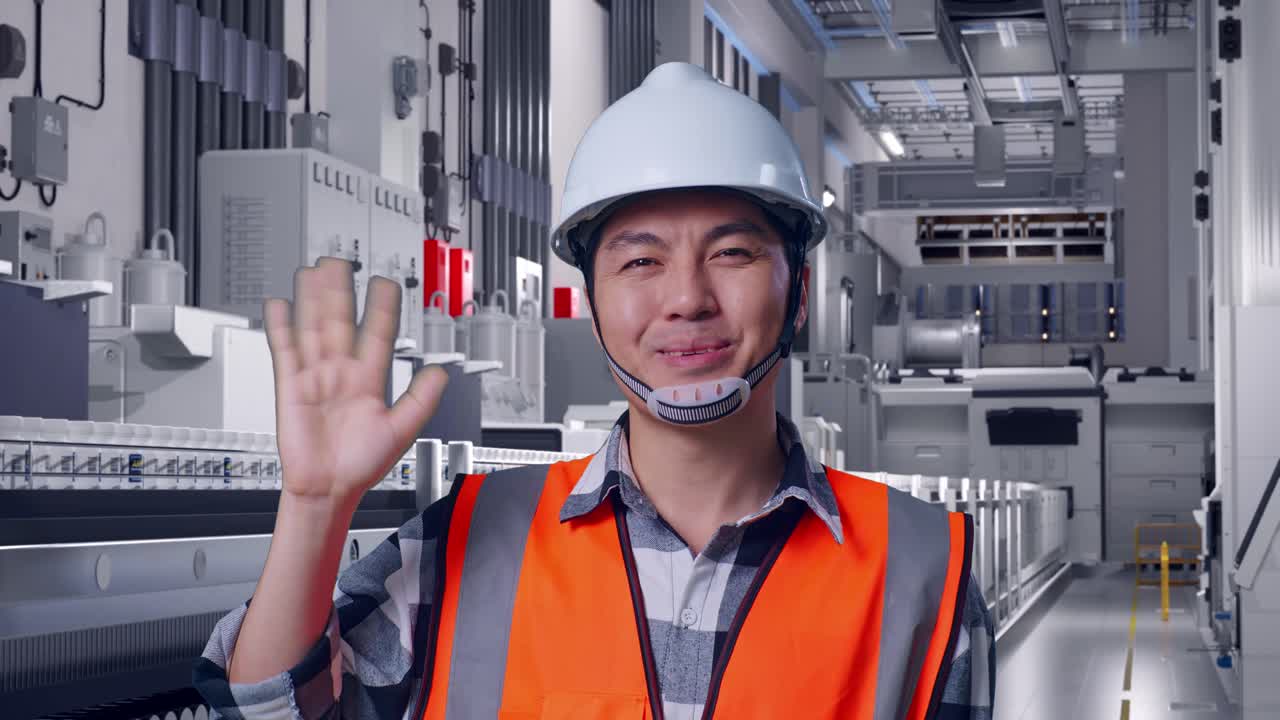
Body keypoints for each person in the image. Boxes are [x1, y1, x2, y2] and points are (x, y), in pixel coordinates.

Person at [194, 62, 995, 720]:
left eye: (733, 253)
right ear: (592, 300)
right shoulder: (461, 546)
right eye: (641, 261)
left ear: (801, 290)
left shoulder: (924, 572)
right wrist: (315, 506)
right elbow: (267, 712)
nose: (686, 298)